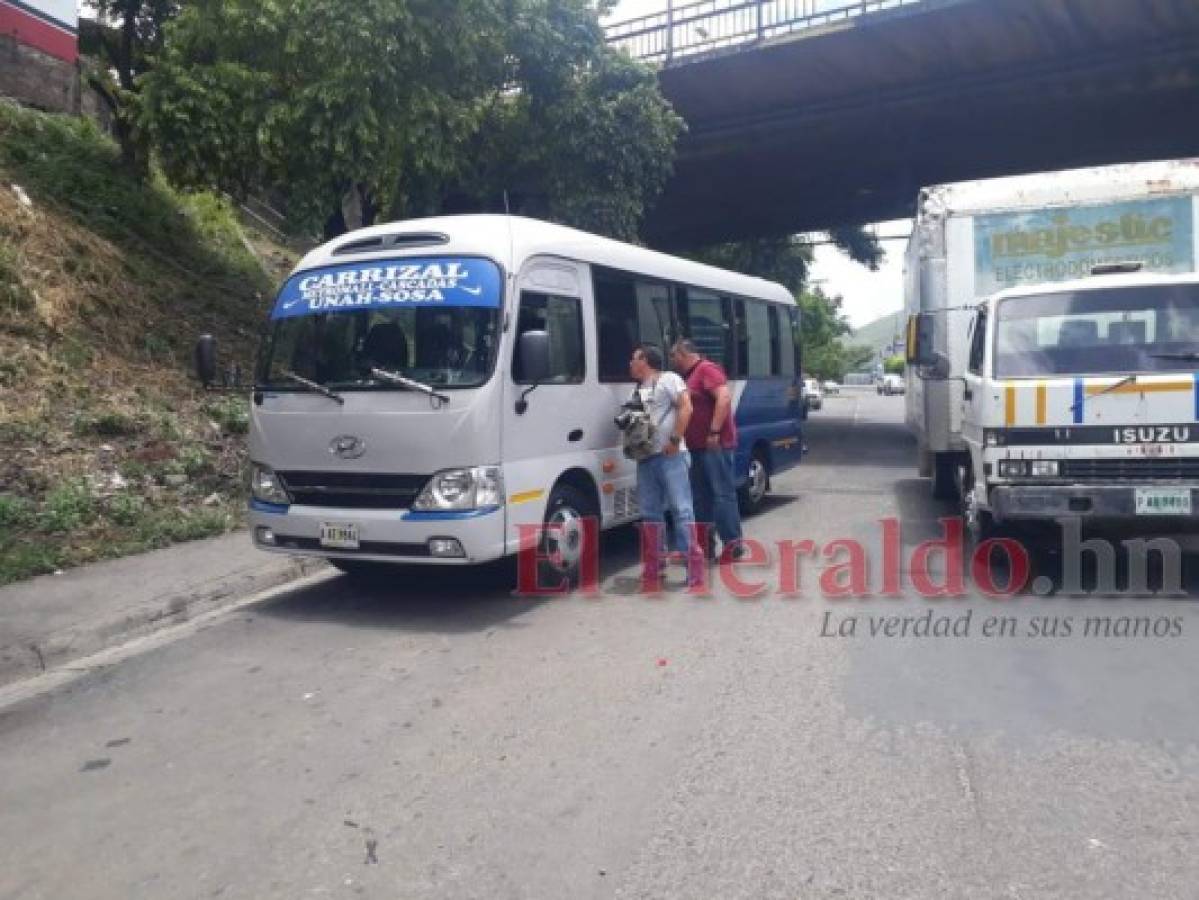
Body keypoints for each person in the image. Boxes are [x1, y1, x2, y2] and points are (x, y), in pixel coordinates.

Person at [628, 343, 704, 587]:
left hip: (671, 456)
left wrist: (675, 439)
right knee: (650, 513)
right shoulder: (639, 389)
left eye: (634, 358)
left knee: (681, 510)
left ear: (646, 361)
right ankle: (654, 564)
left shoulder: (669, 379)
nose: (630, 363)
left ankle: (695, 567)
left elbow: (686, 407)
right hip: (646, 458)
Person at [670, 339, 745, 560]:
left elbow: (723, 398)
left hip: (714, 445)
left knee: (722, 494)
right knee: (700, 498)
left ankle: (733, 544)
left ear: (683, 354)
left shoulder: (706, 369)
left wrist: (714, 431)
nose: (673, 361)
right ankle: (705, 546)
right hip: (695, 446)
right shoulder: (687, 377)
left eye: (674, 357)